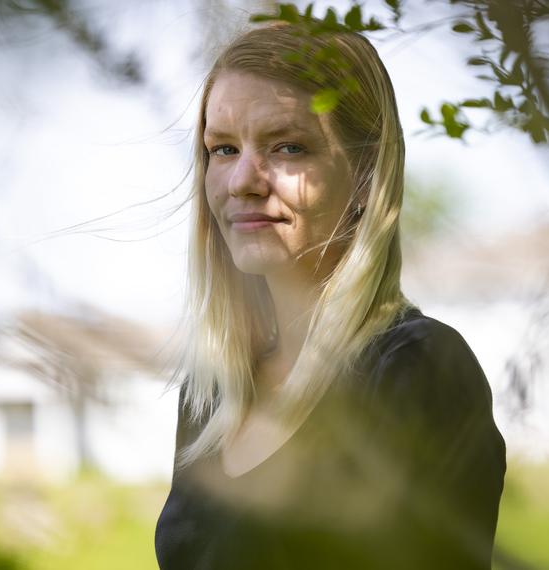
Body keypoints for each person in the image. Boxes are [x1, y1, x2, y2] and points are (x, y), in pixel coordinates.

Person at [155, 18, 506, 570]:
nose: (243, 180)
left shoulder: (415, 367)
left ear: (366, 173)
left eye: (288, 146)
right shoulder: (212, 393)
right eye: (222, 149)